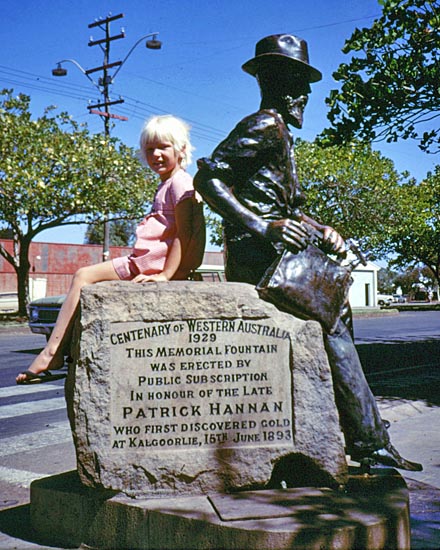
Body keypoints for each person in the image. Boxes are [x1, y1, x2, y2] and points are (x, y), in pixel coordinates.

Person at [194, 34, 422, 472]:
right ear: (275, 81)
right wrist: (264, 226)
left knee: (338, 299)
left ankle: (365, 429)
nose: (307, 94)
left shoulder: (278, 132)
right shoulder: (263, 124)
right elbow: (208, 181)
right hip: (259, 256)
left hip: (277, 249)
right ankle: (369, 441)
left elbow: (288, 209)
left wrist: (323, 229)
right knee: (334, 315)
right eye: (298, 82)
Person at [17, 114, 205, 384]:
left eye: (163, 147)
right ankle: (56, 351)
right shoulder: (166, 183)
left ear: (181, 149)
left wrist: (166, 275)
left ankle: (52, 353)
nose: (156, 155)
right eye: (150, 149)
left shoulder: (180, 183)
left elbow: (184, 236)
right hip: (142, 261)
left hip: (152, 266)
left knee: (83, 276)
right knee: (83, 274)